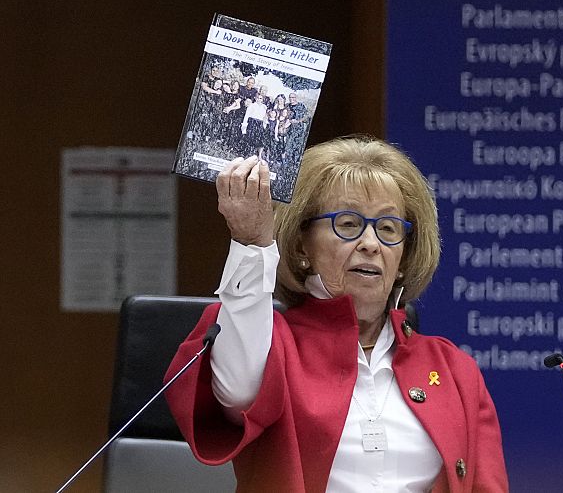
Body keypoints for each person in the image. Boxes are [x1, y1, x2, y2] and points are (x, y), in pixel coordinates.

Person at [166, 135, 509, 492]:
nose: (371, 244)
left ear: (404, 258)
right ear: (302, 247)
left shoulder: (455, 370)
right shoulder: (275, 346)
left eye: (388, 228)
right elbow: (236, 394)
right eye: (348, 224)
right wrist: (253, 243)